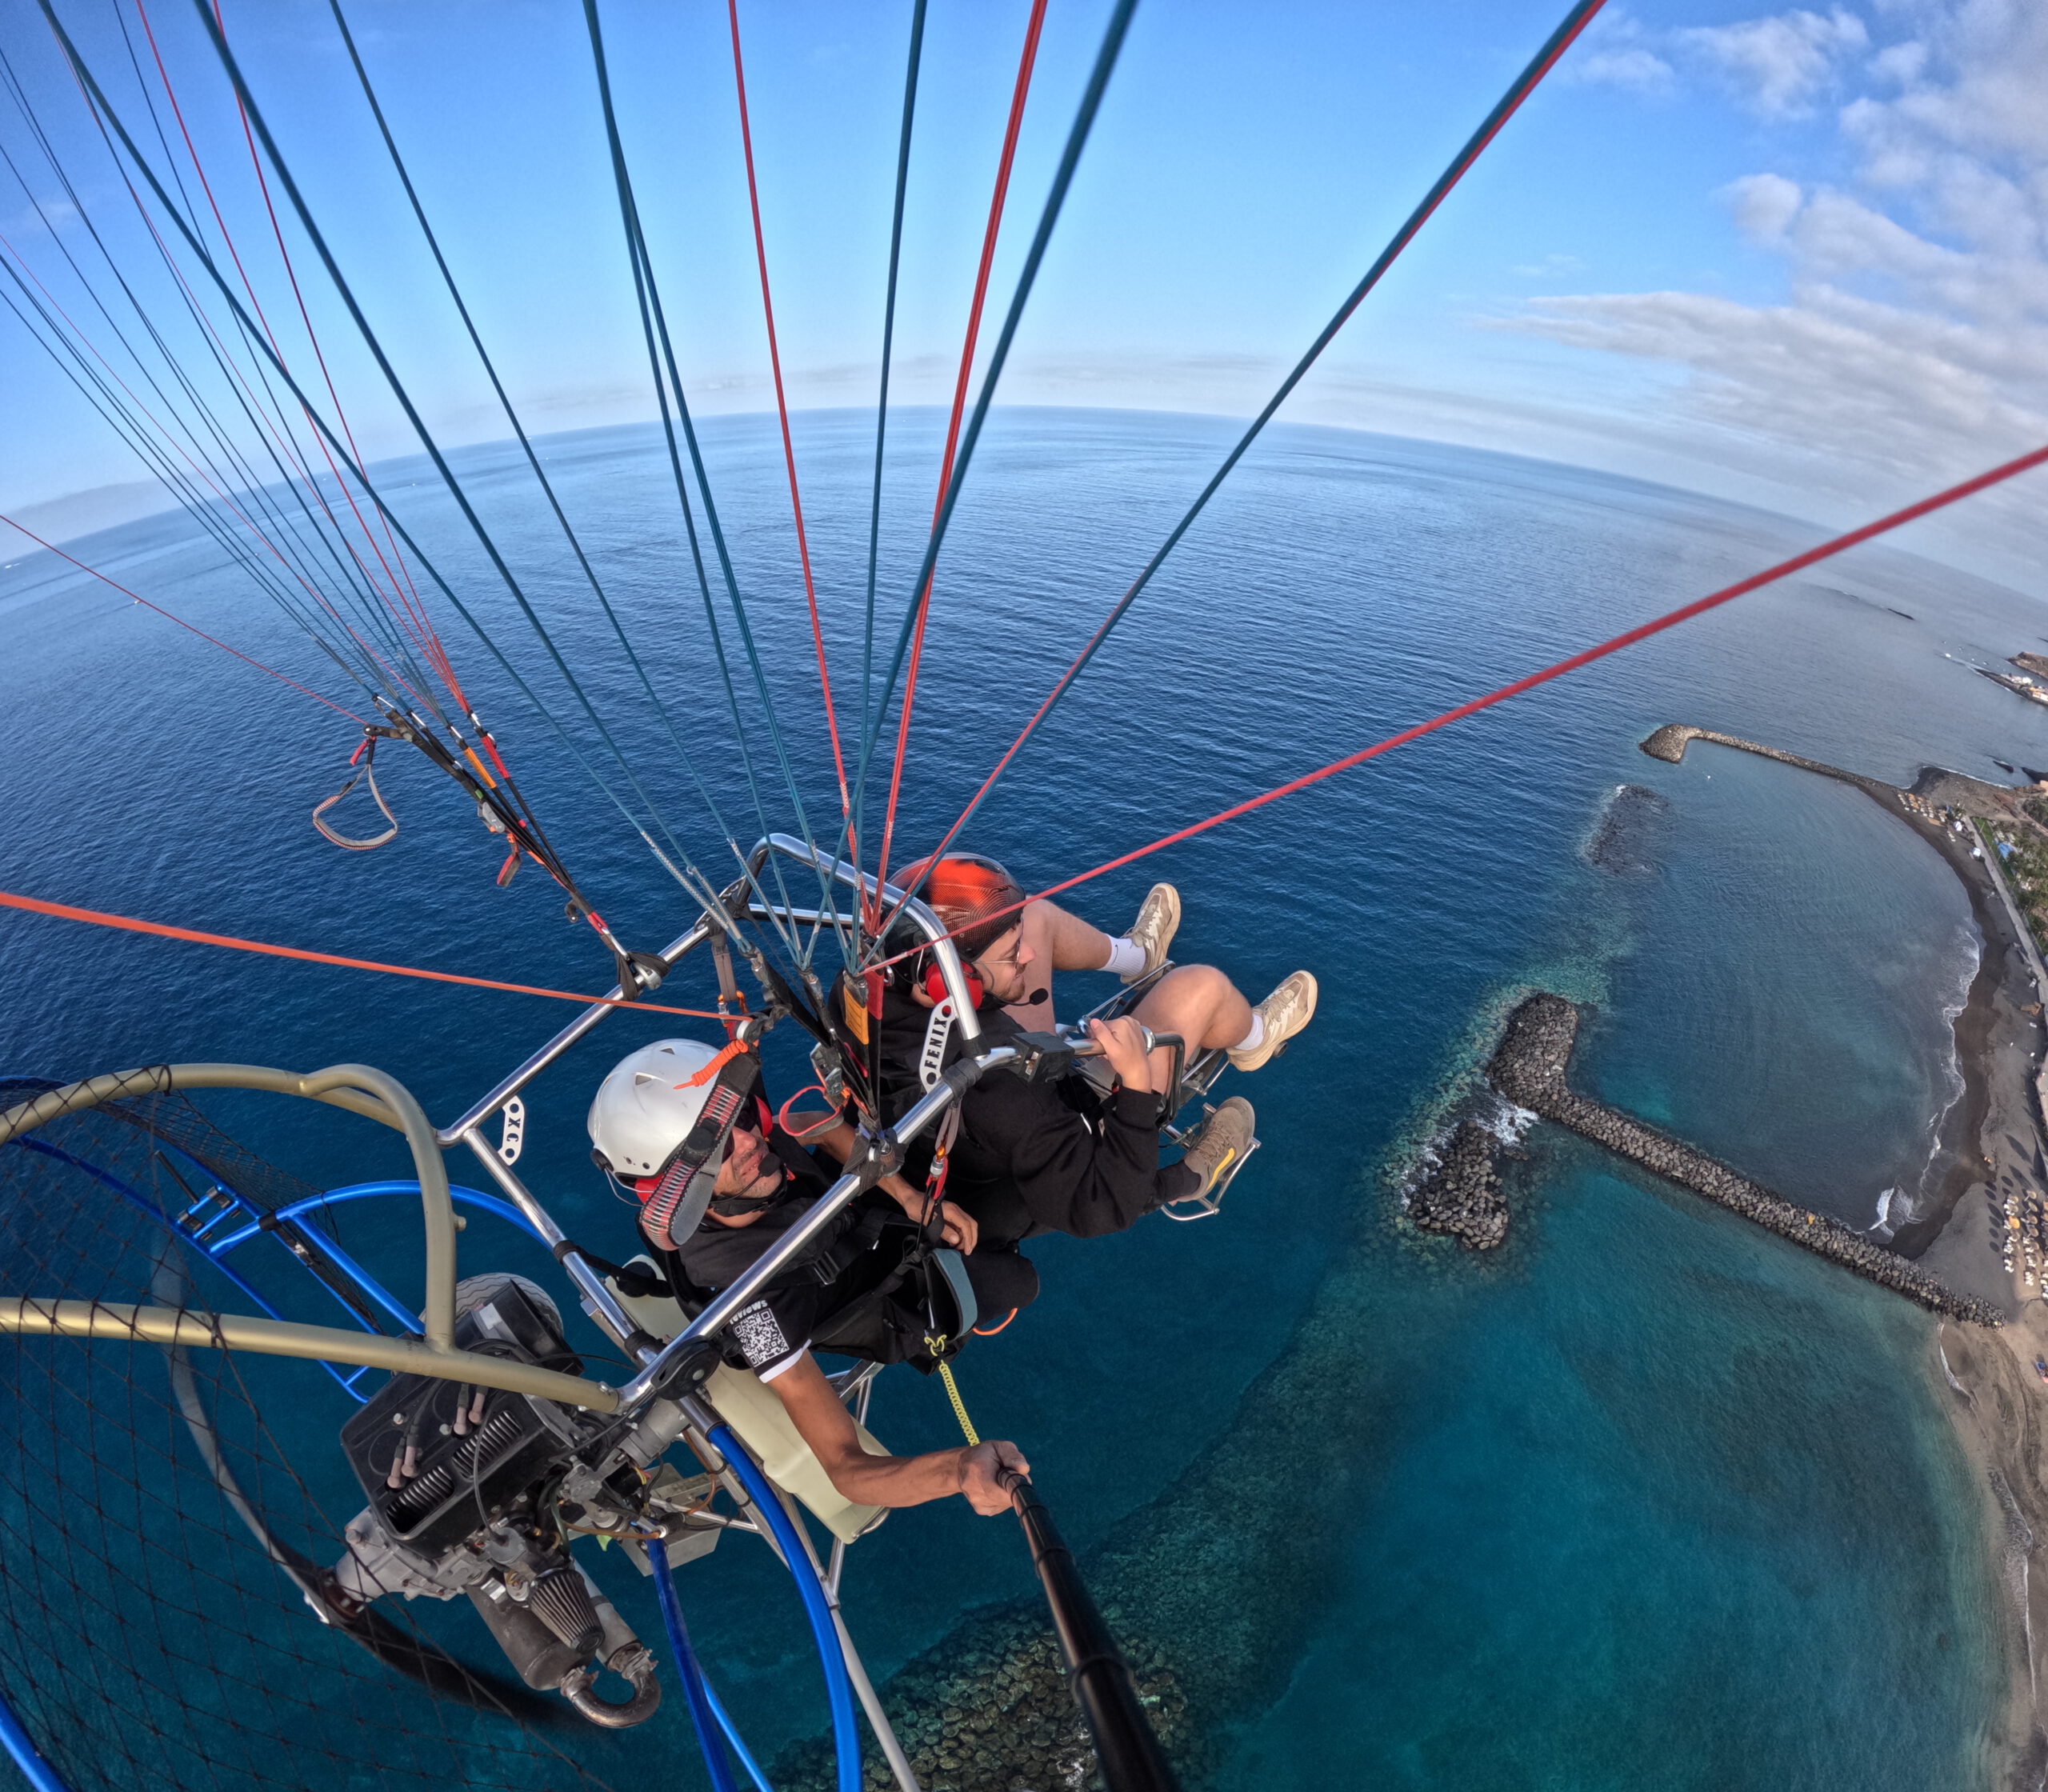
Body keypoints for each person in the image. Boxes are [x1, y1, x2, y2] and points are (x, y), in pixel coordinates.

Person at [586, 1038, 1030, 1515]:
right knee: (1016, 1277)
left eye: (740, 1115)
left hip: (876, 1218)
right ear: (679, 1191)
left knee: (1016, 1185)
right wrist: (958, 1471)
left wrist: (904, 1195)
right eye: (714, 1149)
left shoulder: (748, 1154)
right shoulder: (756, 1305)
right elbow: (846, 1469)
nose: (751, 1139)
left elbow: (821, 1129)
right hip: (891, 1298)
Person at [873, 854, 1317, 1246]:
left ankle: (1137, 957)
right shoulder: (1009, 1103)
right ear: (950, 978)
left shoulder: (868, 993)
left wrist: (1006, 953)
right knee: (1202, 986)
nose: (1027, 955)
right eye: (1013, 954)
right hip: (1081, 1133)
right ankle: (1255, 1040)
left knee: (1037, 915)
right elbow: (1104, 1205)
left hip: (995, 1059)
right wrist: (1137, 1087)